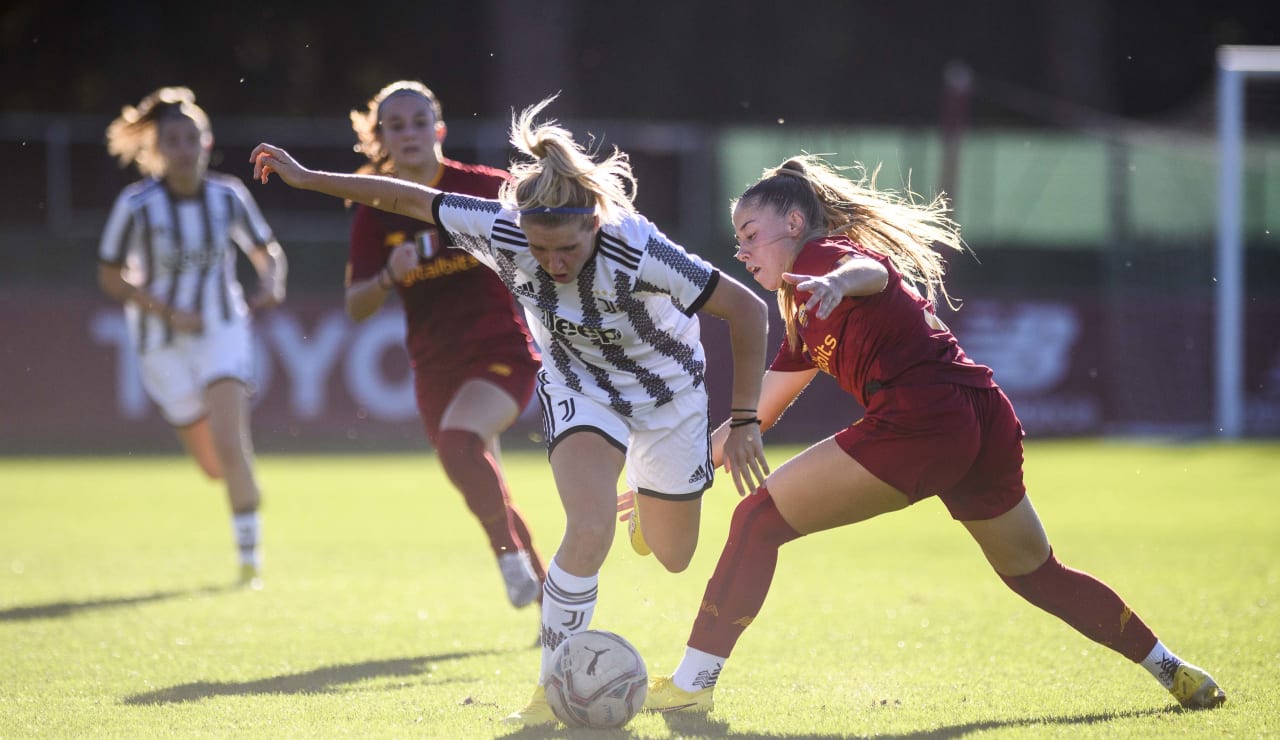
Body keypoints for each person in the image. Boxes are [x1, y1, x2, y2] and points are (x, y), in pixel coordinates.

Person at [249, 93, 771, 726]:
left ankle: (645, 495)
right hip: (580, 385)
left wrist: (743, 419)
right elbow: (405, 200)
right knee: (586, 530)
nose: (551, 264)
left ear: (592, 226)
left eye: (566, 252)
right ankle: (549, 691)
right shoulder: (498, 227)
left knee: (674, 556)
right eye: (539, 250)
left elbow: (747, 310)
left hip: (667, 396)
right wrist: (306, 178)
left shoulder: (635, 245)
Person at [638, 154, 1227, 714]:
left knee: (756, 521)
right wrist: (674, 484)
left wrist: (841, 281)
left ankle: (693, 683)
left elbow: (867, 270)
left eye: (749, 234)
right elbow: (756, 414)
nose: (740, 251)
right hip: (981, 417)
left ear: (793, 223)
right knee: (1035, 572)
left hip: (925, 421)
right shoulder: (804, 310)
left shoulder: (822, 260)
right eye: (737, 239)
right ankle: (1170, 667)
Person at [345, 80, 547, 609]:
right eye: (396, 125)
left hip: (501, 352)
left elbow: (550, 240)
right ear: (382, 137)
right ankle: (553, 606)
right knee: (479, 474)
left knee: (460, 445)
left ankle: (508, 560)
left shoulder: (484, 188)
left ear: (439, 128)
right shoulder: (375, 207)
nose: (409, 132)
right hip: (434, 366)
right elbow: (356, 304)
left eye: (418, 121)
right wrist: (388, 275)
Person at [98, 87, 287, 589]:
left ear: (207, 142)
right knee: (214, 465)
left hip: (222, 328)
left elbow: (266, 251)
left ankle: (250, 563)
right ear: (157, 149)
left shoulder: (229, 197)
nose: (183, 149)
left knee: (230, 440)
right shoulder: (137, 205)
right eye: (172, 140)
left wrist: (271, 281)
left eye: (191, 138)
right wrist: (164, 309)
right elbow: (111, 276)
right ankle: (243, 485)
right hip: (160, 342)